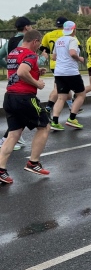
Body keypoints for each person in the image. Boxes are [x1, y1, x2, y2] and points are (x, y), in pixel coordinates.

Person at [0, 30, 51, 184]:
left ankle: (1, 170)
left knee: (13, 135)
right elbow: (22, 72)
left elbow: (15, 72)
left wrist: (36, 72)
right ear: (35, 41)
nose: (39, 47)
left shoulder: (13, 53)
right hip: (24, 98)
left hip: (10, 97)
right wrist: (37, 83)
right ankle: (33, 163)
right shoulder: (31, 54)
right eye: (39, 44)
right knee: (44, 126)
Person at [50, 22, 86, 131]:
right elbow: (72, 53)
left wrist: (62, 57)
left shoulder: (58, 40)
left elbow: (54, 57)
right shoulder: (73, 40)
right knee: (81, 95)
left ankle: (55, 122)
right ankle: (72, 118)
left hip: (59, 72)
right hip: (71, 72)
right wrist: (80, 59)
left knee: (61, 98)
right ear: (74, 30)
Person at [40, 16, 68, 112]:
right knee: (59, 87)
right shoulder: (68, 34)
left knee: (65, 86)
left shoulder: (48, 35)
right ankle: (48, 107)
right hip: (64, 63)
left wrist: (51, 52)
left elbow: (42, 48)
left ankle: (72, 106)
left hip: (53, 63)